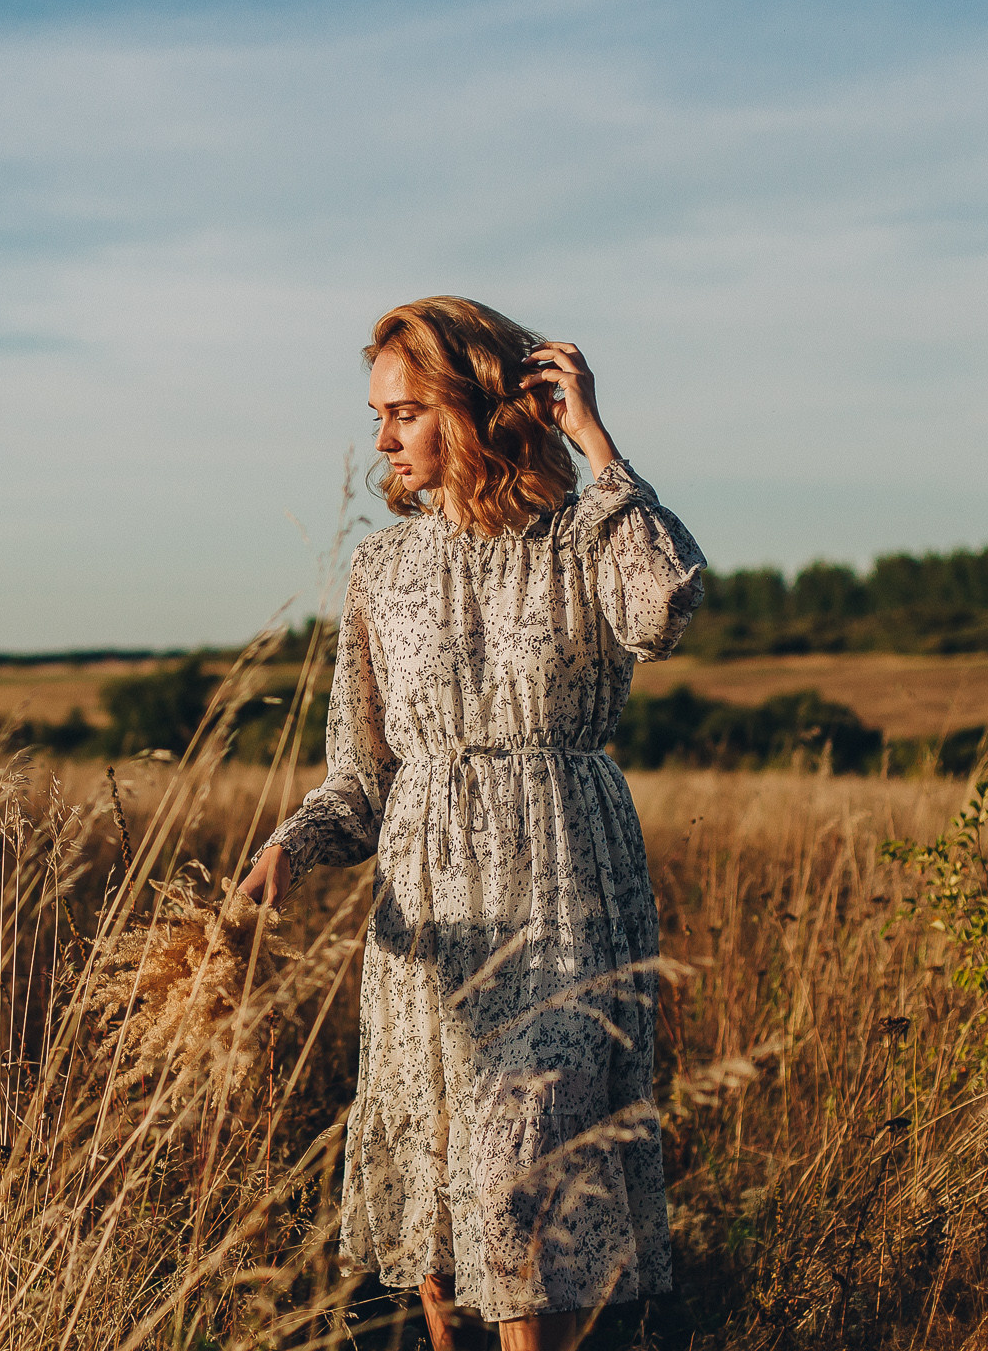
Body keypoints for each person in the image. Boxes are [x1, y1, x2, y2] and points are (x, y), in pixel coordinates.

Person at [239, 298, 705, 1351]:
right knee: (443, 1211)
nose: (384, 436)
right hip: (430, 910)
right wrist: (290, 847)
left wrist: (597, 446)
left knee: (520, 1168)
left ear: (477, 406)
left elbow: (664, 611)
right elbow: (357, 780)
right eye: (377, 415)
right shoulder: (381, 572)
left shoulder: (584, 533)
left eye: (407, 410)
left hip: (563, 889)